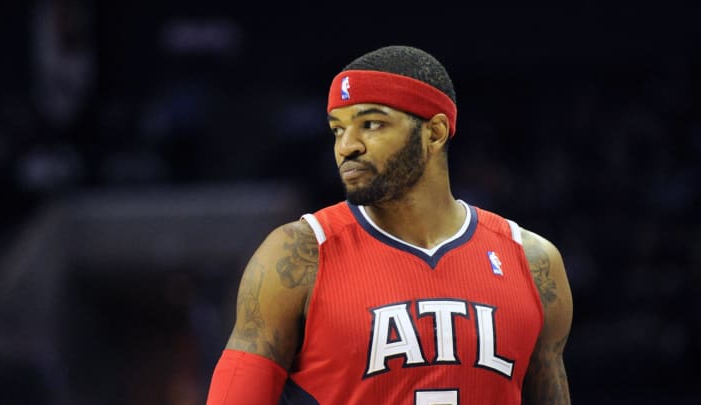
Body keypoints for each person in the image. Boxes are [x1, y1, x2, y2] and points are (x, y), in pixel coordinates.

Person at [206, 45, 573, 404]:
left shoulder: (533, 261)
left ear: (435, 133)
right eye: (337, 129)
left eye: (371, 124)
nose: (346, 146)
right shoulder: (297, 255)